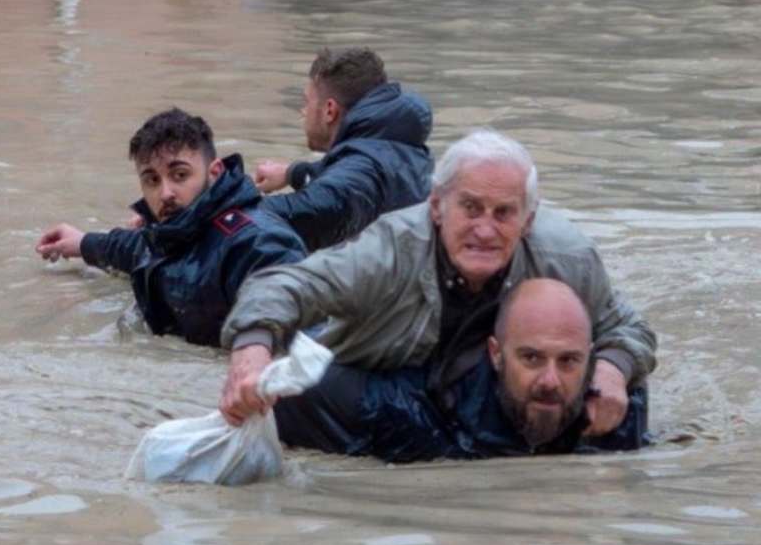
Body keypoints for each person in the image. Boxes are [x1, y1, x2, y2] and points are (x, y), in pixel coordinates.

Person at [219, 129, 657, 441]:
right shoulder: (388, 251)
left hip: (483, 386)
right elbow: (283, 285)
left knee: (627, 402)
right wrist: (251, 353)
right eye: (470, 208)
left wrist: (613, 368)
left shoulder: (568, 258)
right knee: (294, 395)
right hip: (385, 381)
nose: (485, 230)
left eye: (503, 213)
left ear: (528, 220)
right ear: (436, 207)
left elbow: (628, 330)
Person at [269, 279, 650, 462]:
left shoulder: (614, 412)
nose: (551, 381)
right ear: (496, 354)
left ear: (589, 357)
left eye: (568, 361)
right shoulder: (411, 412)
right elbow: (296, 390)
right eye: (531, 359)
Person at [35, 108, 306, 347]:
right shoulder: (170, 233)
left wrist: (254, 350)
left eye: (180, 175)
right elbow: (135, 248)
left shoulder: (254, 242)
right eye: (152, 180)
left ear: (214, 173)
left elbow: (292, 307)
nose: (165, 193)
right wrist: (82, 243)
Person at [252, 47, 433, 252]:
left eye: (307, 102)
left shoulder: (363, 168)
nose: (303, 112)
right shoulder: (398, 146)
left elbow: (321, 206)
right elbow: (345, 174)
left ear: (329, 110)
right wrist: (291, 173)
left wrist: (227, 211)